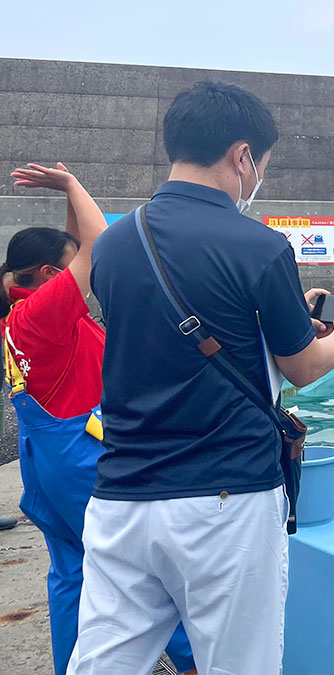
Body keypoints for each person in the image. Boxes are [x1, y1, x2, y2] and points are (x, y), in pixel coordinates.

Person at [68, 82, 334, 675]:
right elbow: (304, 367)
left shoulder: (114, 244)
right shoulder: (259, 246)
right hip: (225, 499)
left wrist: (280, 318)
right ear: (241, 156)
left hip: (122, 495)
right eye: (260, 164)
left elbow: (161, 336)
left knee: (103, 663)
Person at [1, 164, 196, 674]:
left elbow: (75, 247)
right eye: (64, 271)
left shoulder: (22, 316)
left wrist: (68, 198)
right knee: (140, 568)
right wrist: (73, 186)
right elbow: (98, 246)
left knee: (71, 571)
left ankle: (71, 665)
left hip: (43, 461)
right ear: (48, 277)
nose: (82, 281)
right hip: (79, 462)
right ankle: (191, 660)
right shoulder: (43, 314)